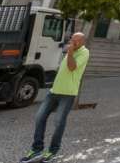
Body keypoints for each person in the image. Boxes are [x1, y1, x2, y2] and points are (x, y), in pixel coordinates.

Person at [20, 32, 90, 163]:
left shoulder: (84, 52)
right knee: (39, 117)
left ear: (82, 42)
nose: (73, 43)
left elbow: (71, 67)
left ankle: (53, 151)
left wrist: (70, 52)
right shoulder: (70, 50)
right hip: (54, 91)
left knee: (58, 122)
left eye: (77, 41)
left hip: (68, 93)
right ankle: (37, 149)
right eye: (72, 40)